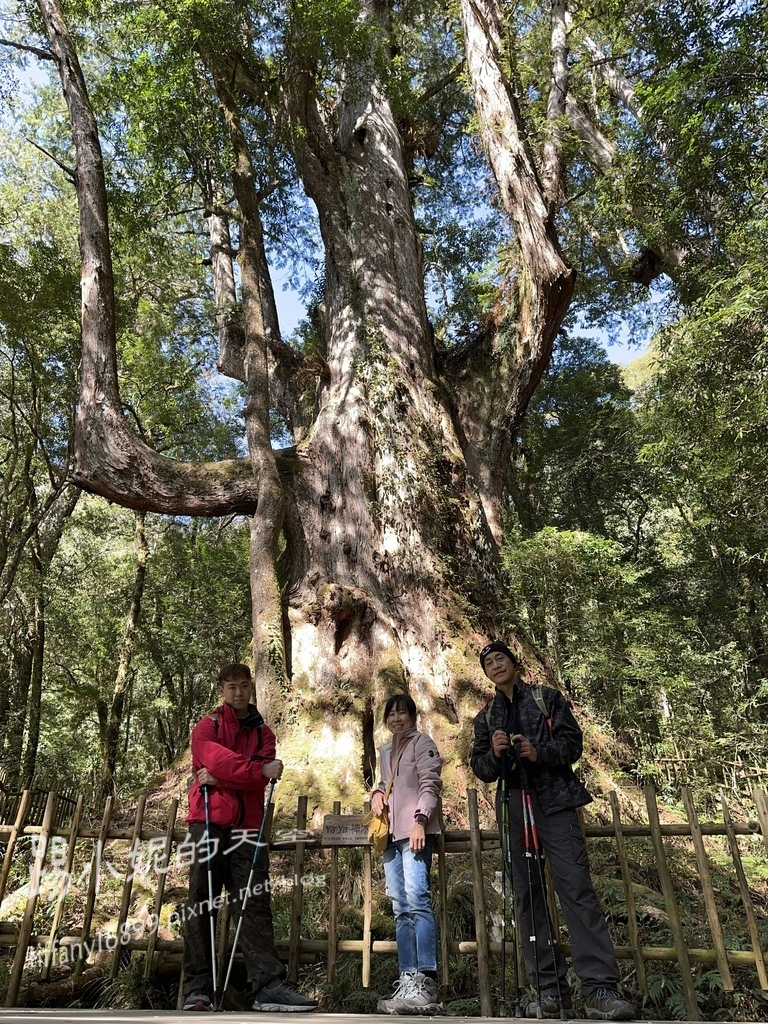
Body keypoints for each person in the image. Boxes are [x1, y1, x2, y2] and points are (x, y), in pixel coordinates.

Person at [470, 641, 634, 1022]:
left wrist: (536, 750)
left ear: (514, 663)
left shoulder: (546, 698)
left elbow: (572, 744)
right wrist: (494, 753)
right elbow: (480, 768)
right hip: (512, 804)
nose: (496, 666)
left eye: (501, 659)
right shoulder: (486, 714)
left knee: (575, 887)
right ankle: (547, 990)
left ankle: (599, 988)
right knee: (527, 894)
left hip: (554, 802)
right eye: (488, 663)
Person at [182, 663, 318, 1013]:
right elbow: (227, 762)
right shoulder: (205, 728)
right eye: (231, 687)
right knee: (202, 902)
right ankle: (197, 989)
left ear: (251, 688)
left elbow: (241, 772)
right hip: (209, 822)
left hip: (248, 826)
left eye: (244, 686)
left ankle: (268, 987)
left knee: (253, 905)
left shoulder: (264, 734)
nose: (238, 693)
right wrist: (253, 771)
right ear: (222, 690)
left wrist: (224, 776)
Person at [370, 694, 444, 1015]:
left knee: (418, 901)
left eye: (403, 713)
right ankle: (406, 978)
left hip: (415, 831)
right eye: (392, 713)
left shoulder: (421, 743)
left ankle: (425, 980)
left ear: (413, 716)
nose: (397, 718)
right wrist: (374, 794)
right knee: (400, 909)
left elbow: (431, 783)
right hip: (390, 836)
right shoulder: (385, 751)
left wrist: (421, 821)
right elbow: (383, 783)